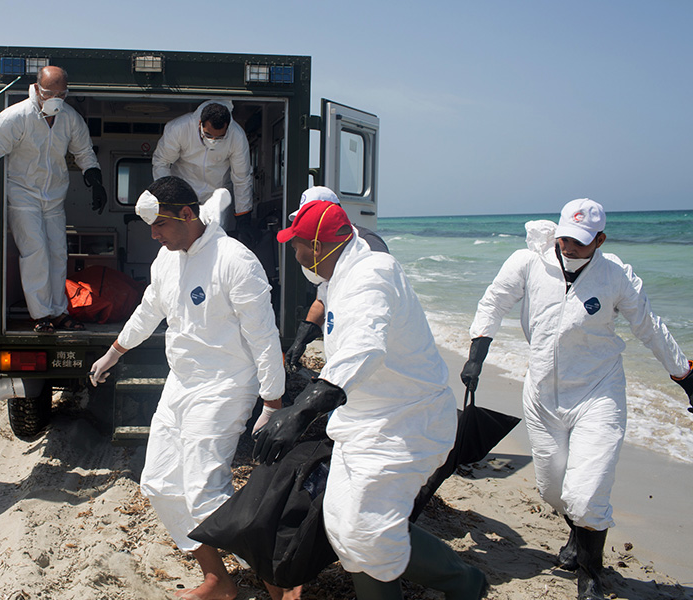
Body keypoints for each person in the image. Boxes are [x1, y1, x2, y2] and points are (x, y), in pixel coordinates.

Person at [460, 198, 693, 600]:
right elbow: (494, 301)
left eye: (581, 242)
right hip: (542, 396)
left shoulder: (615, 276)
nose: (568, 247)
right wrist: (476, 355)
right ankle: (577, 531)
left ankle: (590, 577)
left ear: (600, 239)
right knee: (555, 491)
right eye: (565, 237)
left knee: (586, 496)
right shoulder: (528, 263)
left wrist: (685, 377)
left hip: (597, 394)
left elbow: (649, 327)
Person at [255, 200, 487, 600]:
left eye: (297, 245)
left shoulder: (372, 276)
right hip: (362, 420)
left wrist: (301, 410)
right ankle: (463, 580)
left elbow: (365, 348)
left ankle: (462, 582)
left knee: (367, 531)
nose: (293, 253)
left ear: (319, 246)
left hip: (407, 423)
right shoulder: (338, 276)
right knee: (345, 526)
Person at [88, 176, 291, 600]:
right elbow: (148, 310)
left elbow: (264, 336)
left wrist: (273, 400)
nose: (153, 235)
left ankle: (282, 586)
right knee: (160, 484)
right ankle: (218, 579)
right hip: (180, 384)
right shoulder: (166, 259)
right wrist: (116, 350)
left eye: (159, 225)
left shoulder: (235, 261)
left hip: (226, 385)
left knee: (204, 490)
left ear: (187, 214)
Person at [0, 65, 108, 333]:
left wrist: (95, 180)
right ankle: (41, 316)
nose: (55, 99)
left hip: (54, 198)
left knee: (59, 253)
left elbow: (84, 150)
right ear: (37, 89)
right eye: (49, 93)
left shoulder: (70, 118)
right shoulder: (16, 117)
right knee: (35, 252)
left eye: (61, 94)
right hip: (23, 195)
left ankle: (59, 312)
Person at [283, 186, 390, 378]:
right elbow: (322, 298)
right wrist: (302, 338)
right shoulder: (325, 251)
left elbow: (371, 324)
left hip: (374, 367)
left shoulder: (368, 248)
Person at [152, 100, 256, 247]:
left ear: (227, 128)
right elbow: (161, 163)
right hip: (182, 196)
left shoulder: (237, 136)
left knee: (214, 245)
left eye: (219, 137)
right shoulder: (178, 128)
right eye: (208, 135)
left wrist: (244, 219)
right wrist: (169, 200)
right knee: (179, 243)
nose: (213, 140)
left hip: (216, 197)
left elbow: (242, 179)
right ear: (200, 123)